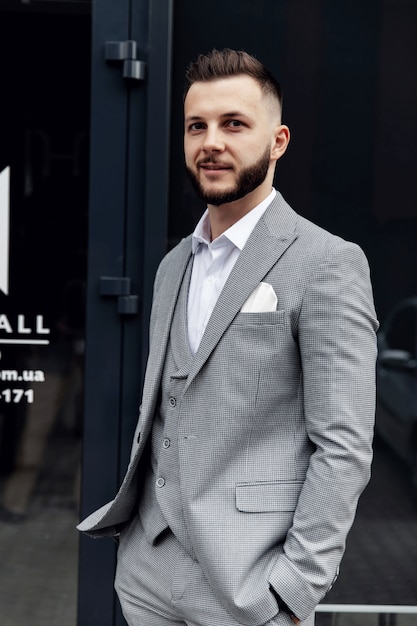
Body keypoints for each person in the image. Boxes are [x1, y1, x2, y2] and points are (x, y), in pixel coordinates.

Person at [78, 48, 379, 626]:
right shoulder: (172, 268)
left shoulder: (327, 262)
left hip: (249, 588)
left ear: (278, 141)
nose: (210, 142)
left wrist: (295, 588)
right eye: (197, 126)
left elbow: (343, 446)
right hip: (146, 576)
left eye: (233, 124)